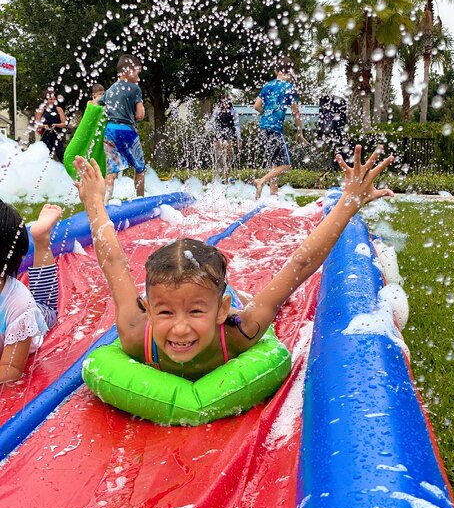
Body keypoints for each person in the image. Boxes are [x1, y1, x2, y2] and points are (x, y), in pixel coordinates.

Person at [72, 144, 394, 382]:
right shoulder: (133, 332)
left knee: (260, 300)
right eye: (165, 311)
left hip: (229, 300)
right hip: (211, 294)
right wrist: (94, 202)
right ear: (148, 308)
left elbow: (299, 264)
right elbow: (113, 262)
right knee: (195, 292)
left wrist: (347, 204)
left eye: (195, 312)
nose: (180, 327)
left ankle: (217, 297)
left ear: (221, 311)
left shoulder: (240, 333)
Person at [0, 202, 62, 383]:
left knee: (45, 306)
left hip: (33, 316)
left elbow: (11, 369)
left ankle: (41, 239)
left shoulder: (20, 307)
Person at [253, 56, 308, 200]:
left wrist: (267, 114)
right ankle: (261, 181)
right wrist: (300, 132)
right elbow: (296, 112)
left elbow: (256, 106)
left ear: (276, 71)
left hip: (263, 128)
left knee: (275, 165)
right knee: (286, 165)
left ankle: (273, 195)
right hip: (275, 130)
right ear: (290, 71)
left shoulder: (268, 85)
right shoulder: (288, 88)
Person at [99, 54, 146, 202]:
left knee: (111, 171)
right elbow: (140, 114)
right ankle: (141, 200)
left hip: (110, 131)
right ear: (128, 71)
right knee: (140, 169)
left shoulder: (110, 90)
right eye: (137, 72)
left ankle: (105, 202)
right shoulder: (134, 89)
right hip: (127, 132)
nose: (138, 77)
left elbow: (96, 105)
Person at [211, 94, 241, 184]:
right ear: (220, 101)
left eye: (226, 100)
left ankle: (227, 179)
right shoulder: (217, 110)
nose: (224, 102)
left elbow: (237, 125)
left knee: (228, 158)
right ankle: (217, 179)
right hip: (219, 134)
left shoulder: (233, 111)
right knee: (219, 157)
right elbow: (212, 122)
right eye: (222, 100)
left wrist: (239, 139)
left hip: (230, 135)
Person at [34, 88, 67, 162]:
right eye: (50, 99)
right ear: (46, 100)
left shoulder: (59, 109)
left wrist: (56, 125)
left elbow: (64, 124)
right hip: (46, 134)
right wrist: (43, 126)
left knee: (60, 153)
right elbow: (37, 123)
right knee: (46, 153)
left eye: (54, 99)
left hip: (57, 133)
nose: (52, 101)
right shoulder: (41, 109)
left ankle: (65, 168)